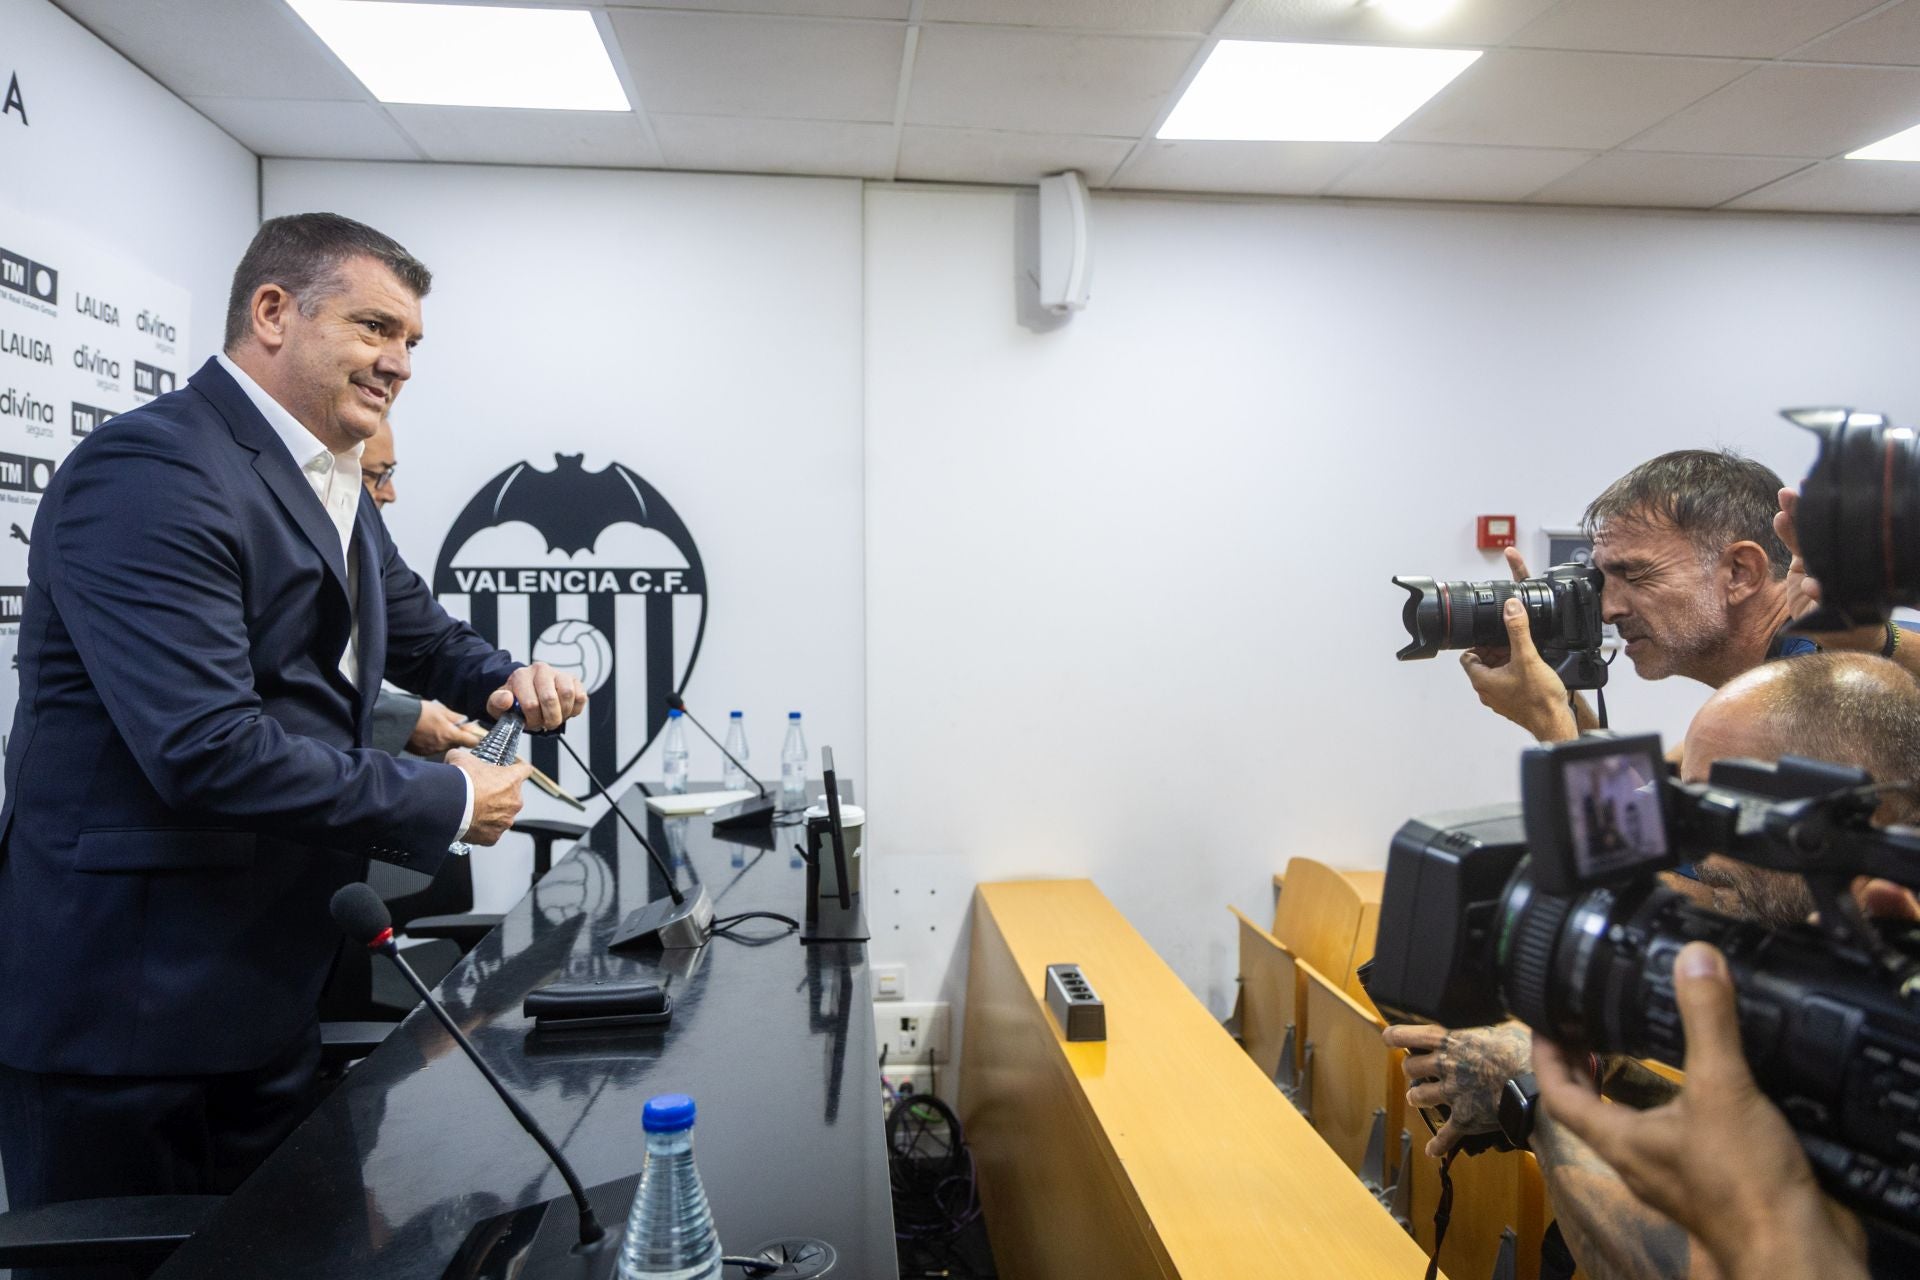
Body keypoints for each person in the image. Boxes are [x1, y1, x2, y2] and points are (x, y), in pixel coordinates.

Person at [0, 212, 586, 1263]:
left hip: (266, 991)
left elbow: (417, 630)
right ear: (273, 312)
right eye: (375, 327)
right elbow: (207, 748)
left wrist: (507, 678)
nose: (400, 362)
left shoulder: (328, 476)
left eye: (411, 341)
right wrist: (451, 799)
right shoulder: (150, 469)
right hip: (131, 1020)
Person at [1387, 652, 1920, 1280]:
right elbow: (1744, 1148)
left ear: (1864, 826)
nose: (1699, 862)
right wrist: (1610, 1068)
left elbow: (1698, 1262)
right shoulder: (1834, 975)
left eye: (1724, 817)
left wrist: (1541, 1099)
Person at [1462, 449, 1920, 745]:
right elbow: (1656, 812)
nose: (1608, 609)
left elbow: (1668, 865)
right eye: (1602, 580)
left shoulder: (1824, 698)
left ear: (1739, 573)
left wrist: (1549, 719)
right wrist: (1561, 699)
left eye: (1634, 574)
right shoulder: (1755, 697)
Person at [360, 412, 484, 759]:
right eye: (374, 476)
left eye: (389, 474)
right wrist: (403, 717)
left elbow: (429, 644)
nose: (390, 493)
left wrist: (510, 681)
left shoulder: (368, 544)